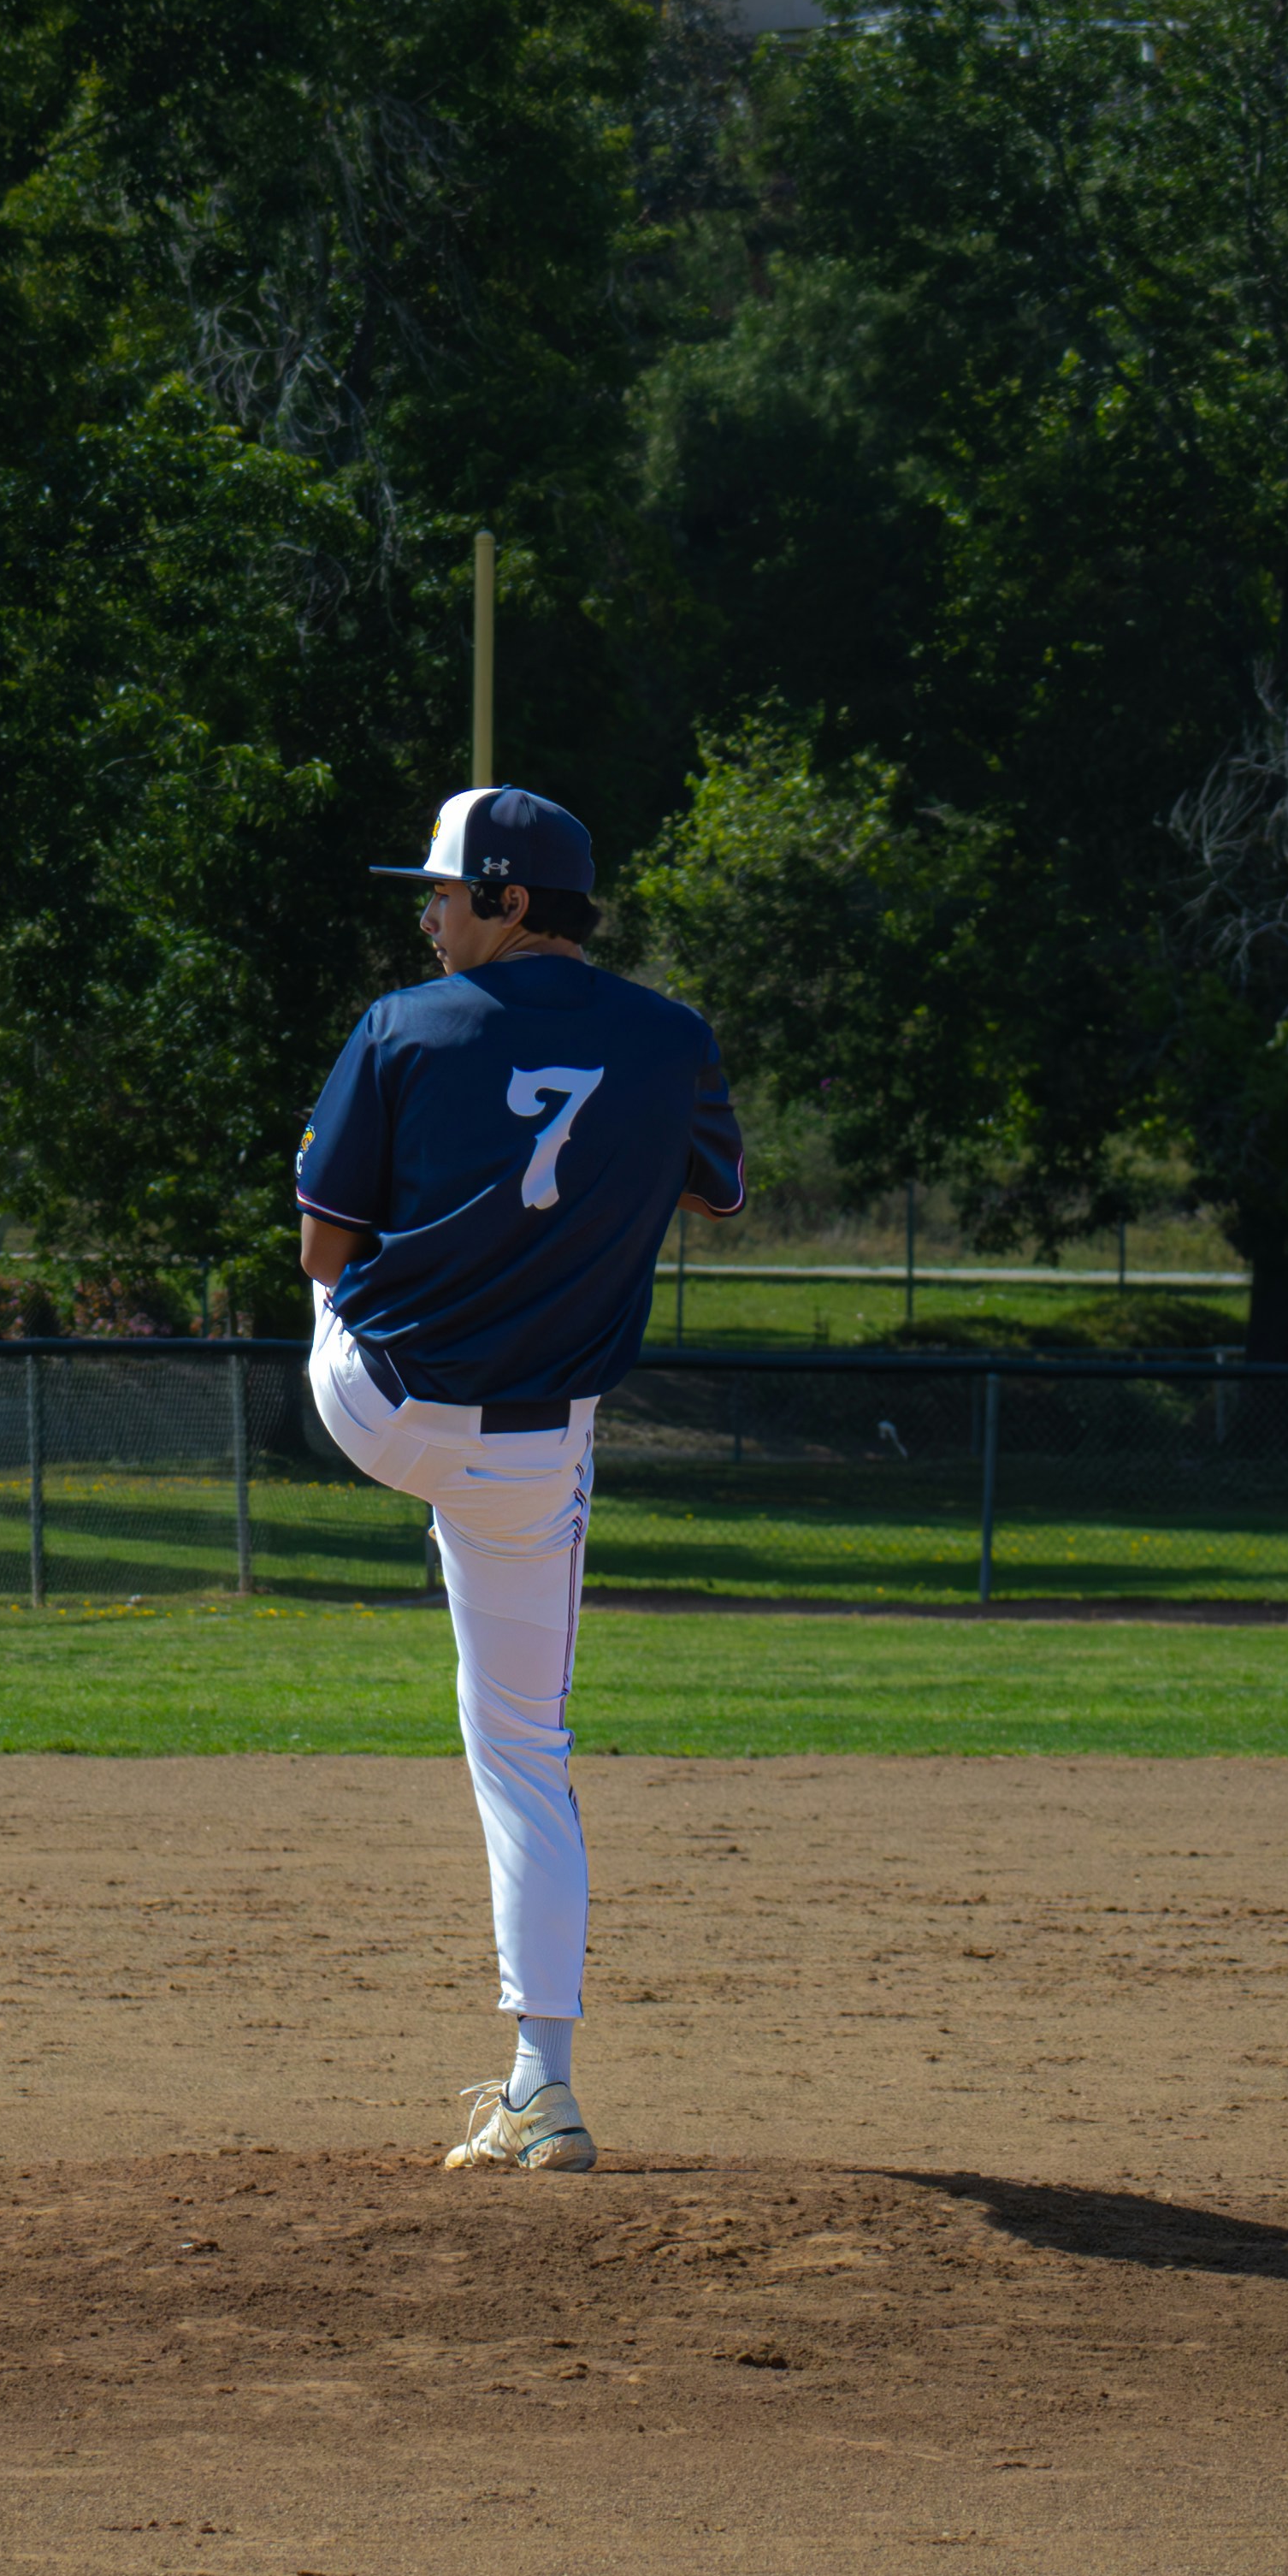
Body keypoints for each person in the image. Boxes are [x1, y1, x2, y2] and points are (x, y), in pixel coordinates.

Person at [295, 784, 747, 2174]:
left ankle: (531, 2105)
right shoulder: (675, 1039)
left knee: (319, 1250)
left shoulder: (400, 1026)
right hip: (534, 1450)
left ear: (504, 900)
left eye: (440, 891)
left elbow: (326, 1249)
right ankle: (541, 2079)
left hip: (376, 1407)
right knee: (523, 1753)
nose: (426, 915)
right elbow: (713, 1194)